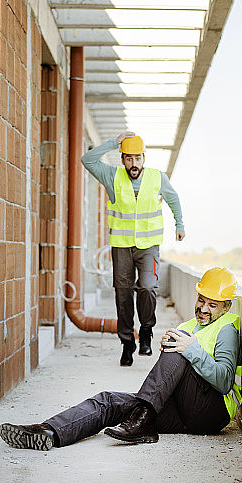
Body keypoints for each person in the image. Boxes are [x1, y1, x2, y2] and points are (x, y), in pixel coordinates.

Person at [0, 267, 242, 449]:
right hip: (181, 411)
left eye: (213, 304)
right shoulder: (190, 324)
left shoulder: (227, 328)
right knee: (109, 402)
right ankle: (48, 432)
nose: (203, 308)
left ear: (225, 308)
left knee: (179, 345)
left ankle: (142, 416)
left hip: (211, 412)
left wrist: (188, 349)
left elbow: (224, 381)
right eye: (202, 300)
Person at [81, 132, 185, 366]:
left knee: (148, 288)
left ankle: (146, 332)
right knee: (123, 294)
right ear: (122, 159)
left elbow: (173, 199)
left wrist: (180, 224)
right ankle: (127, 342)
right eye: (128, 158)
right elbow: (87, 160)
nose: (133, 164)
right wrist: (112, 143)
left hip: (148, 247)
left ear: (144, 158)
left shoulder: (157, 178)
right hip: (122, 246)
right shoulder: (111, 175)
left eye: (137, 158)